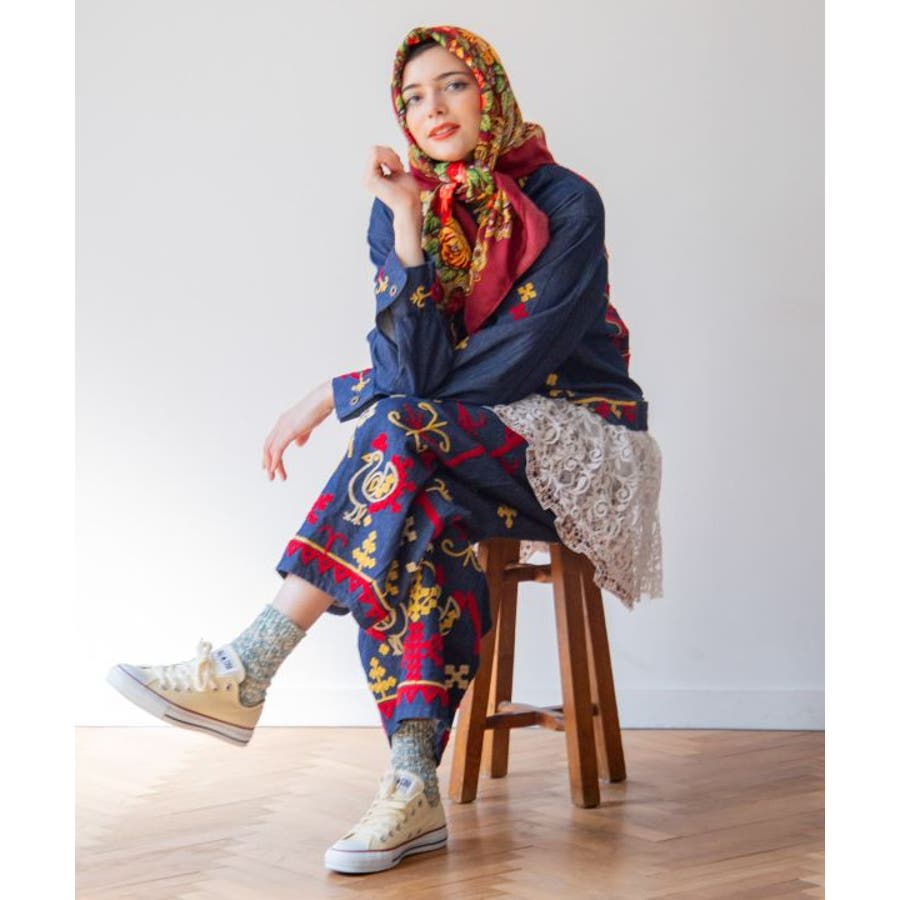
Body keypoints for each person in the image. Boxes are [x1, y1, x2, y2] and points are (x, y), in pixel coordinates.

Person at [106, 24, 663, 876]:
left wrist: (337, 391)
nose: (432, 108)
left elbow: (509, 365)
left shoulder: (566, 201)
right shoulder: (404, 203)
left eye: (453, 85)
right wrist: (406, 220)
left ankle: (250, 664)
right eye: (412, 97)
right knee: (422, 511)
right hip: (455, 449)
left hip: (572, 444)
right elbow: (415, 370)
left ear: (491, 91)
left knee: (398, 427)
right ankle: (411, 783)